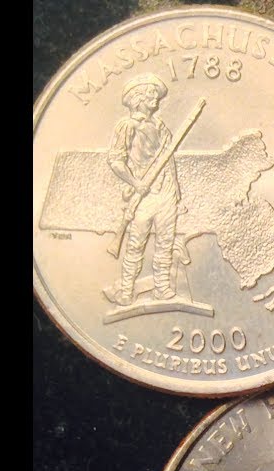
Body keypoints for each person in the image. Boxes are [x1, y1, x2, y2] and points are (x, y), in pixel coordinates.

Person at [104, 73, 183, 305]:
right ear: (137, 98)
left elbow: (168, 158)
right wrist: (135, 183)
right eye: (150, 93)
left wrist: (176, 188)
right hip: (144, 195)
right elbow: (115, 161)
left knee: (166, 243)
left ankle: (162, 288)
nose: (155, 98)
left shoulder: (161, 126)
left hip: (166, 193)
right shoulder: (127, 126)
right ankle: (126, 291)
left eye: (155, 94)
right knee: (135, 244)